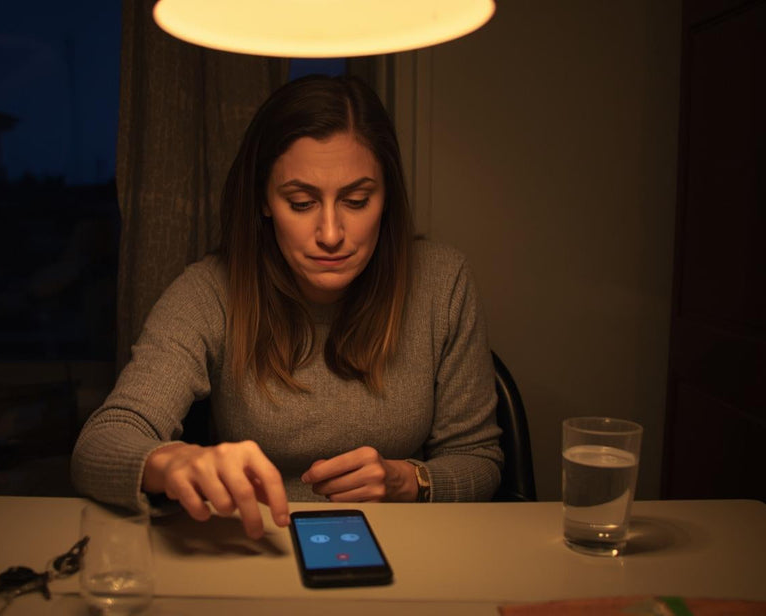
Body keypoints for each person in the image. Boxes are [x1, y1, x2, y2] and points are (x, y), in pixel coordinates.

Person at [71, 74, 503, 540]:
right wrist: (173, 460)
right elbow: (99, 445)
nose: (332, 233)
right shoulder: (210, 292)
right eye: (301, 203)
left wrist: (411, 482)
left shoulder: (442, 282)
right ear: (263, 199)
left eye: (357, 201)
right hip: (254, 547)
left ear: (387, 198)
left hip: (404, 551)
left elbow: (480, 461)